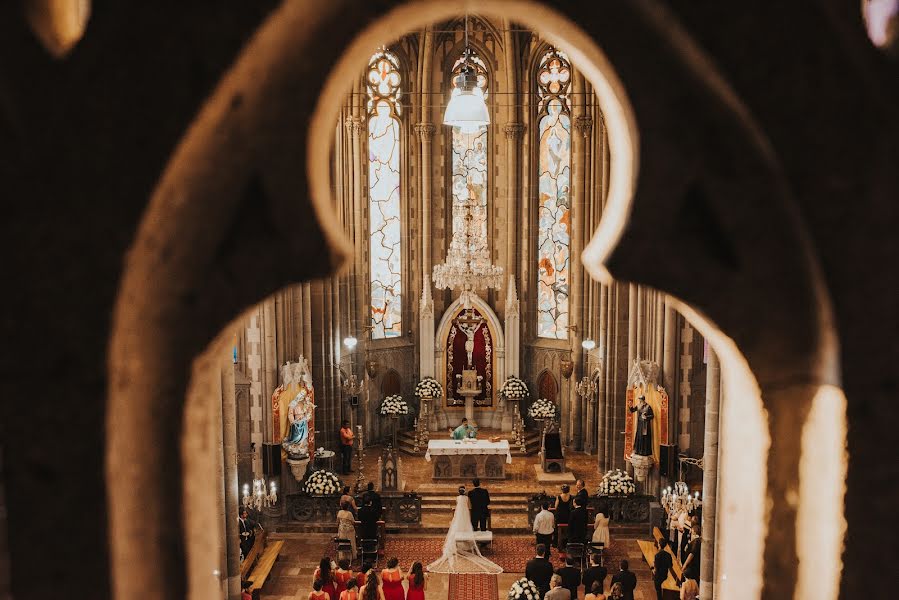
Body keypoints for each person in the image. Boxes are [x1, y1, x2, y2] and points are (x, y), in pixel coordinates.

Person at [425, 486, 502, 573]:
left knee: (457, 525)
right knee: (467, 525)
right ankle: (472, 543)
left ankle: (460, 543)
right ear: (464, 492)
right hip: (466, 513)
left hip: (459, 514)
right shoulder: (466, 498)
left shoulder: (458, 498)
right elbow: (470, 505)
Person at [554, 484, 573, 549]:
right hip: (568, 515)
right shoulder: (571, 497)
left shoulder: (559, 497)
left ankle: (557, 543)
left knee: (558, 530)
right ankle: (566, 543)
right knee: (567, 530)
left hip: (560, 515)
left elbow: (556, 506)